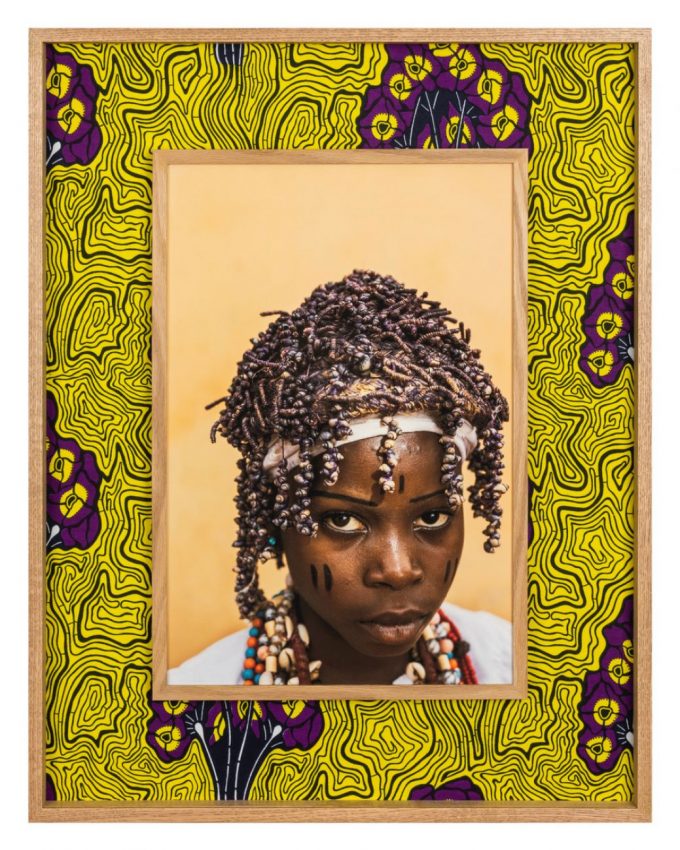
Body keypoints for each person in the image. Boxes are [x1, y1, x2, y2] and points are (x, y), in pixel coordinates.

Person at [168, 270, 511, 686]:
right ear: (277, 520)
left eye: (432, 517)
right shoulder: (199, 696)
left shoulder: (511, 668)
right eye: (343, 520)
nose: (398, 570)